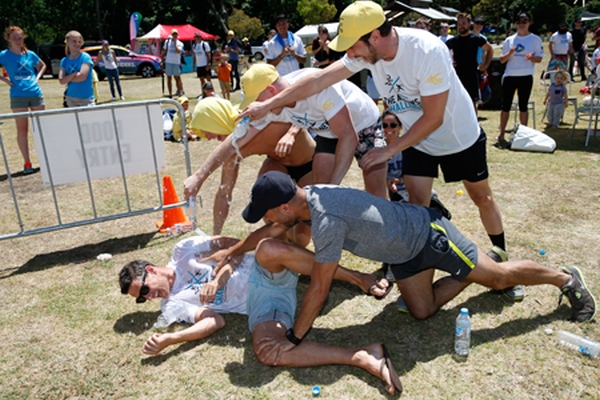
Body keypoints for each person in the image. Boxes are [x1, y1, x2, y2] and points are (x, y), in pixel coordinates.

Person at [239, 1, 512, 294]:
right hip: (418, 142)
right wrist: (269, 104)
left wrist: (389, 150)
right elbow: (317, 79)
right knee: (414, 208)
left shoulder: (426, 50)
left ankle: (501, 256)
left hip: (457, 136)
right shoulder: (367, 54)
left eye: (352, 45)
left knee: (481, 196)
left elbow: (434, 117)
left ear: (374, 36)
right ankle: (411, 269)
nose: (349, 53)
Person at [222, 171, 596, 343]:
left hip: (427, 237)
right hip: (403, 255)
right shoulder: (310, 194)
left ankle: (566, 279)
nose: (269, 221)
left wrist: (296, 335)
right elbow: (271, 235)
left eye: (269, 213)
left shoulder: (326, 219)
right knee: (422, 310)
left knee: (498, 277)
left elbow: (319, 287)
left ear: (286, 207)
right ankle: (467, 269)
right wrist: (235, 250)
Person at [119, 235, 401, 395]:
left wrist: (219, 277)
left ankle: (356, 278)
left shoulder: (183, 251)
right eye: (141, 299)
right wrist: (172, 340)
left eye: (143, 289)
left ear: (151, 270)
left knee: (269, 245)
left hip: (268, 266)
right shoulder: (172, 305)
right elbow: (214, 321)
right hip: (264, 300)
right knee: (268, 351)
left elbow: (235, 246)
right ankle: (363, 356)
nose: (148, 297)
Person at [239, 64, 387, 198]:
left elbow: (348, 136)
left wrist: (333, 186)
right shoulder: (273, 104)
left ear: (271, 90)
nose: (258, 105)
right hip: (328, 129)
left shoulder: (316, 87)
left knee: (376, 190)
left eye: (257, 100)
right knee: (320, 191)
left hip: (364, 122)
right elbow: (239, 137)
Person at [183, 96, 316, 241]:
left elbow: (297, 107)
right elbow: (224, 193)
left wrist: (291, 133)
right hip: (277, 164)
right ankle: (279, 245)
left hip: (308, 165)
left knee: (301, 238)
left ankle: (288, 237)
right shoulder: (232, 153)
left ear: (217, 120)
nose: (208, 137)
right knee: (269, 208)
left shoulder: (256, 118)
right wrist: (215, 236)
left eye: (207, 130)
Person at [0, 26, 46, 175]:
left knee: (41, 128)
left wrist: (37, 78)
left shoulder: (30, 54)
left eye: (20, 38)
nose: (18, 41)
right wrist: (6, 81)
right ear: (8, 39)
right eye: (14, 38)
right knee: (22, 130)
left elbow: (42, 65)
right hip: (18, 96)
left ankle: (46, 159)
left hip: (35, 93)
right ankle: (27, 162)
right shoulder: (4, 55)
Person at [497, 12, 544, 145]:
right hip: (510, 75)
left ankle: (524, 133)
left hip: (526, 75)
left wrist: (531, 57)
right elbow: (501, 60)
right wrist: (510, 52)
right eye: (519, 21)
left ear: (530, 23)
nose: (521, 24)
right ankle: (501, 133)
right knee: (505, 106)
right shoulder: (510, 40)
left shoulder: (535, 39)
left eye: (525, 21)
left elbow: (539, 59)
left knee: (523, 106)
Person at [445, 12, 493, 113]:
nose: (461, 26)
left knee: (472, 103)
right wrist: (449, 64)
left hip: (472, 75)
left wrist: (485, 65)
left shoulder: (476, 39)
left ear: (469, 24)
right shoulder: (453, 41)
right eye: (459, 24)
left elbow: (490, 49)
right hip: (457, 76)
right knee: (457, 102)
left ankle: (473, 126)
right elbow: (441, 51)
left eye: (463, 23)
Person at [59, 30, 94, 107]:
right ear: (67, 42)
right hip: (70, 98)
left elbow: (82, 77)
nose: (77, 44)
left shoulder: (85, 57)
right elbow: (61, 81)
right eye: (74, 41)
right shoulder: (64, 61)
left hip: (86, 98)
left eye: (79, 41)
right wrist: (74, 74)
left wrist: (67, 78)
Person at [162, 29, 185, 98]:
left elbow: (178, 51)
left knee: (177, 78)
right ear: (171, 35)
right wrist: (162, 60)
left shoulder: (180, 43)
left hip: (176, 62)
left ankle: (180, 92)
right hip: (168, 61)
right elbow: (164, 51)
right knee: (169, 78)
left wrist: (175, 44)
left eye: (176, 34)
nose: (175, 35)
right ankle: (170, 94)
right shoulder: (167, 42)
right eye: (173, 34)